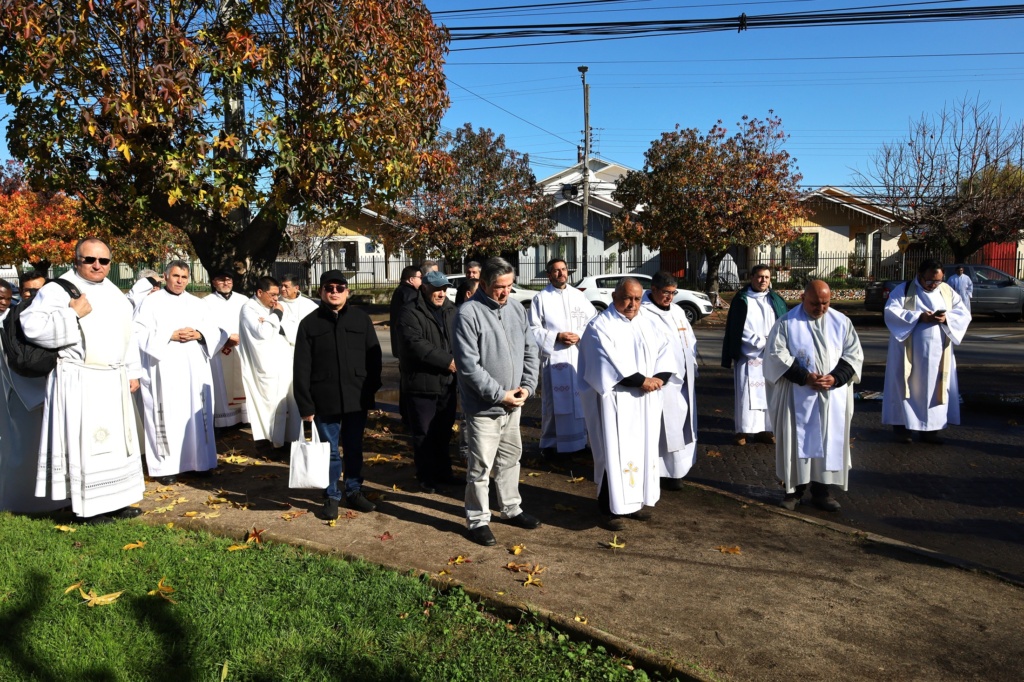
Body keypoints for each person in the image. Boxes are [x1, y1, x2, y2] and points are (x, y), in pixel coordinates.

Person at [21, 237, 145, 521]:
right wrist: (71, 314)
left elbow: (129, 334)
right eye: (89, 259)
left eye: (103, 260)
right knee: (88, 447)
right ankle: (88, 508)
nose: (97, 265)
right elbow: (31, 326)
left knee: (116, 446)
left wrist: (132, 370)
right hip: (80, 378)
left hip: (113, 379)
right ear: (76, 260)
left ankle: (116, 501)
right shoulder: (57, 289)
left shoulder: (114, 292)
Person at [453, 257, 541, 547]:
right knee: (480, 467)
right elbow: (469, 367)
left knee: (510, 459)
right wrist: (499, 394)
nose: (505, 292)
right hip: (484, 408)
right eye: (499, 287)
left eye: (509, 285)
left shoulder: (516, 309)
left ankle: (511, 508)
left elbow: (530, 350)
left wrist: (527, 387)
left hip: (514, 403)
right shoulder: (468, 313)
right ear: (483, 284)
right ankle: (478, 519)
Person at [578, 278, 675, 531]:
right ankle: (608, 508)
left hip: (646, 402)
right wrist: (643, 381)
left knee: (641, 452)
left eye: (637, 299)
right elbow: (607, 363)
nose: (632, 304)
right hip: (616, 401)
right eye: (627, 298)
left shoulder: (648, 322)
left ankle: (632, 504)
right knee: (613, 452)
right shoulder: (600, 326)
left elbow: (666, 352)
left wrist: (658, 378)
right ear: (614, 297)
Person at [764, 280, 864, 512]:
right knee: (796, 442)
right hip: (797, 393)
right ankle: (794, 492)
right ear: (802, 298)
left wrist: (836, 377)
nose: (820, 308)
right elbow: (776, 355)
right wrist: (804, 376)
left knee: (828, 442)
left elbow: (854, 355)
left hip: (832, 396)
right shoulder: (786, 323)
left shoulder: (842, 322)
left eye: (825, 303)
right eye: (815, 303)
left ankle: (822, 492)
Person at [294, 270, 382, 519]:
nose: (334, 292)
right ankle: (331, 495)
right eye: (329, 288)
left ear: (347, 291)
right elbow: (301, 367)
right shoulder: (309, 324)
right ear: (321, 291)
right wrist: (305, 405)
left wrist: (370, 389)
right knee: (329, 451)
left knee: (354, 448)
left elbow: (374, 357)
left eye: (339, 288)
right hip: (324, 399)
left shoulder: (361, 319)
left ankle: (354, 491)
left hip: (356, 397)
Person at [134, 261, 226, 485]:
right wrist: (169, 334)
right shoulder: (151, 302)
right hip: (164, 368)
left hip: (195, 369)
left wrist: (199, 334)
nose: (180, 281)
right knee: (167, 414)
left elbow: (216, 331)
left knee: (194, 413)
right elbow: (137, 332)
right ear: (165, 276)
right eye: (176, 276)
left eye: (184, 277)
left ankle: (199, 463)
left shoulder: (197, 303)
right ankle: (166, 467)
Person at [882, 260, 971, 444]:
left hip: (939, 354)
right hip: (907, 353)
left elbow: (963, 313)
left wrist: (946, 318)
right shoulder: (904, 290)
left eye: (938, 281)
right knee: (904, 387)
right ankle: (903, 429)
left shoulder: (946, 291)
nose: (933, 285)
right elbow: (891, 311)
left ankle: (931, 431)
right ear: (919, 275)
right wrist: (919, 316)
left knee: (934, 388)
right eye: (930, 280)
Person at [0, 270, 66, 513]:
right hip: (20, 394)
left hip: (54, 391)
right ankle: (22, 500)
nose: (34, 295)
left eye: (39, 290)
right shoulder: (12, 320)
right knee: (23, 448)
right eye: (28, 291)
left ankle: (59, 498)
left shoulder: (57, 316)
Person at [396, 270, 461, 493]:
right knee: (423, 433)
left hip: (447, 383)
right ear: (424, 288)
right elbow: (415, 344)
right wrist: (447, 361)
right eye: (436, 289)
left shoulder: (452, 310)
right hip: (421, 383)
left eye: (444, 289)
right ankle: (425, 476)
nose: (441, 293)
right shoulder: (409, 311)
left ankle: (444, 472)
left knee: (444, 431)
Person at [527, 257, 596, 465]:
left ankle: (580, 442)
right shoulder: (541, 298)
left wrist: (579, 335)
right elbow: (532, 329)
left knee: (580, 401)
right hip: (554, 356)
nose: (561, 273)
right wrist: (556, 337)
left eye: (564, 269)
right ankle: (551, 445)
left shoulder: (579, 296)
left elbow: (593, 321)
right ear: (549, 275)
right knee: (554, 403)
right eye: (556, 270)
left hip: (576, 356)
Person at [641, 271, 698, 490]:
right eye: (666, 292)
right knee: (665, 427)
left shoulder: (677, 310)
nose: (670, 297)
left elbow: (690, 338)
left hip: (685, 378)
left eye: (674, 293)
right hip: (662, 380)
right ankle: (663, 472)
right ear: (654, 289)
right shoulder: (643, 312)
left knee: (683, 425)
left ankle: (679, 469)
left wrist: (692, 364)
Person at [721, 264, 788, 446]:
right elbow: (738, 328)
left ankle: (765, 430)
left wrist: (775, 343)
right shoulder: (742, 300)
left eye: (766, 277)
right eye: (759, 276)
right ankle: (742, 430)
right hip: (749, 354)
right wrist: (761, 342)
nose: (763, 280)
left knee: (768, 393)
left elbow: (783, 324)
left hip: (771, 355)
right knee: (746, 393)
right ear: (751, 277)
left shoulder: (775, 300)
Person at [238, 276, 302, 449]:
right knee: (269, 405)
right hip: (265, 366)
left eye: (277, 295)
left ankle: (289, 441)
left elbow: (294, 329)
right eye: (272, 295)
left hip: (284, 363)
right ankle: (268, 443)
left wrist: (274, 321)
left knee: (290, 402)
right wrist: (276, 316)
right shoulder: (249, 308)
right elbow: (263, 333)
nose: (276, 298)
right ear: (260, 292)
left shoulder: (276, 306)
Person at [202, 271, 248, 428]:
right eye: (221, 280)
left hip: (241, 347)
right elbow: (205, 326)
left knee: (243, 380)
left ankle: (244, 418)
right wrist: (225, 340)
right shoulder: (205, 302)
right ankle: (225, 422)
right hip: (219, 349)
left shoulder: (243, 300)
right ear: (214, 282)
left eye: (229, 280)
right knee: (220, 383)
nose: (226, 283)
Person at [389, 265, 421, 426]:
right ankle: (409, 417)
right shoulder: (410, 294)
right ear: (411, 279)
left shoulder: (400, 291)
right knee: (410, 382)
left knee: (405, 381)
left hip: (401, 346)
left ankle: (406, 415)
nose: (421, 281)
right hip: (408, 346)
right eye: (420, 278)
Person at [278, 275, 319, 343]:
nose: (282, 289)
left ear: (296, 288)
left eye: (286, 286)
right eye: (281, 286)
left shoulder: (310, 305)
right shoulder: (275, 303)